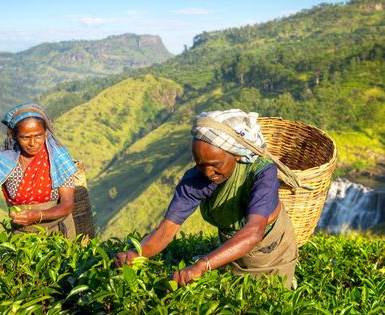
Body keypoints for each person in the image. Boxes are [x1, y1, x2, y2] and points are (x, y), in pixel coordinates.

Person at [116, 109, 298, 288]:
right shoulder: (195, 180)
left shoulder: (262, 172)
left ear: (235, 153)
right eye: (200, 164)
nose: (208, 173)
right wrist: (135, 253)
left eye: (214, 165)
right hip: (232, 249)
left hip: (272, 250)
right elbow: (166, 230)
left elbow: (254, 231)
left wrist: (202, 265)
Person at [0, 102, 78, 242]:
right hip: (22, 239)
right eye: (25, 137)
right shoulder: (6, 161)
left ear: (46, 133)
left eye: (38, 136)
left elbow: (67, 205)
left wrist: (38, 215)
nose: (32, 143)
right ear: (14, 135)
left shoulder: (58, 158)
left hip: (59, 233)